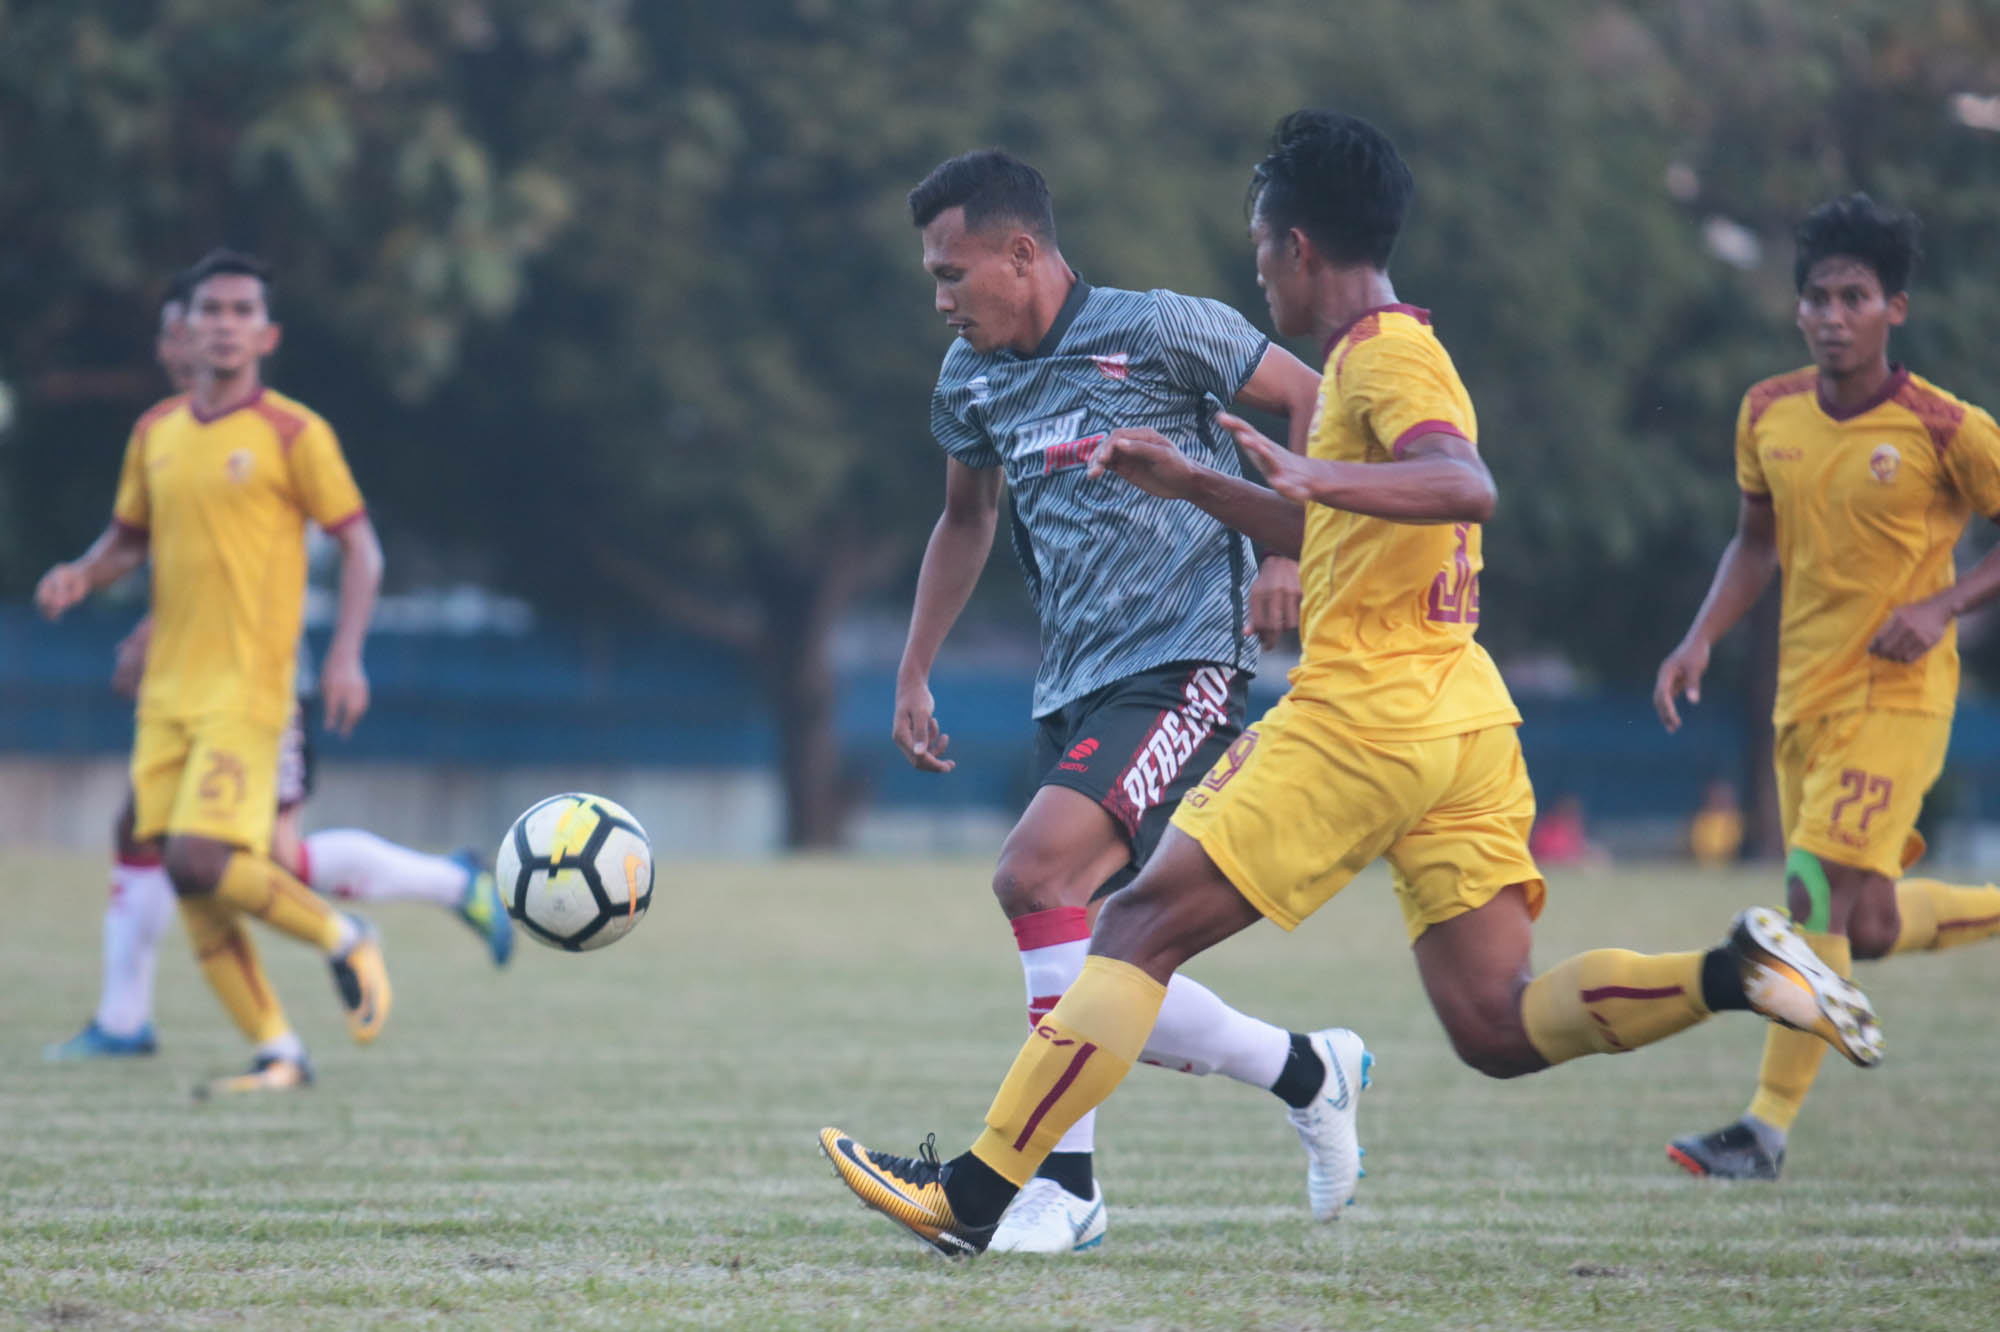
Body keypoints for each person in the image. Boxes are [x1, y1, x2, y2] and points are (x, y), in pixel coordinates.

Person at [820, 110, 1880, 1258]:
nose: (1254, 271)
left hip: (1362, 713)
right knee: (1496, 1020)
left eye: (1259, 246)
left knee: (1124, 930)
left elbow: (1461, 483)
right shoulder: (1379, 360)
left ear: (1297, 250)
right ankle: (1731, 972)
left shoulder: (1376, 358)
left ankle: (980, 1197)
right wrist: (1199, 484)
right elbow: (1335, 524)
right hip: (1459, 716)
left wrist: (1300, 473)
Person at [889, 148, 1359, 1252]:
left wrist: (1290, 551)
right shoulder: (968, 380)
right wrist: (913, 669)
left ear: (1021, 254)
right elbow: (964, 523)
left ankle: (1063, 1188)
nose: (942, 301)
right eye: (932, 280)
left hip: (1191, 664)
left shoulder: (1160, 328)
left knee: (1032, 874)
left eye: (953, 275)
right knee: (1102, 962)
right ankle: (1309, 1068)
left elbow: (1311, 398)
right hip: (1077, 685)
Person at [1653, 194, 2000, 1180]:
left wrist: (1941, 609)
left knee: (1808, 897)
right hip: (1800, 703)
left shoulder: (1946, 427)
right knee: (1871, 927)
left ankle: (1760, 1131)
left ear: (1894, 306)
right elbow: (1753, 540)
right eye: (1815, 297)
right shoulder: (1766, 410)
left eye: (1853, 296)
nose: (1830, 314)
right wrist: (1696, 639)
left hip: (1898, 700)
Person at [36, 248, 392, 1097]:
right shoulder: (155, 433)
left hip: (249, 690)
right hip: (168, 694)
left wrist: (344, 655)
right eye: (211, 310)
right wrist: (84, 573)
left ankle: (345, 935)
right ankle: (279, 1051)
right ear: (184, 330)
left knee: (201, 859)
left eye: (241, 311)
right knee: (182, 872)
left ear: (265, 334)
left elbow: (360, 546)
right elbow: (131, 536)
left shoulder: (295, 434)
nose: (225, 325)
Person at [1689, 779, 1745, 870]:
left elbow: (1734, 844)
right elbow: (1698, 843)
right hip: (1703, 864)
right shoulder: (1702, 819)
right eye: (1716, 796)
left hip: (1730, 865)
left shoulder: (1735, 820)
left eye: (1724, 797)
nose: (1720, 800)